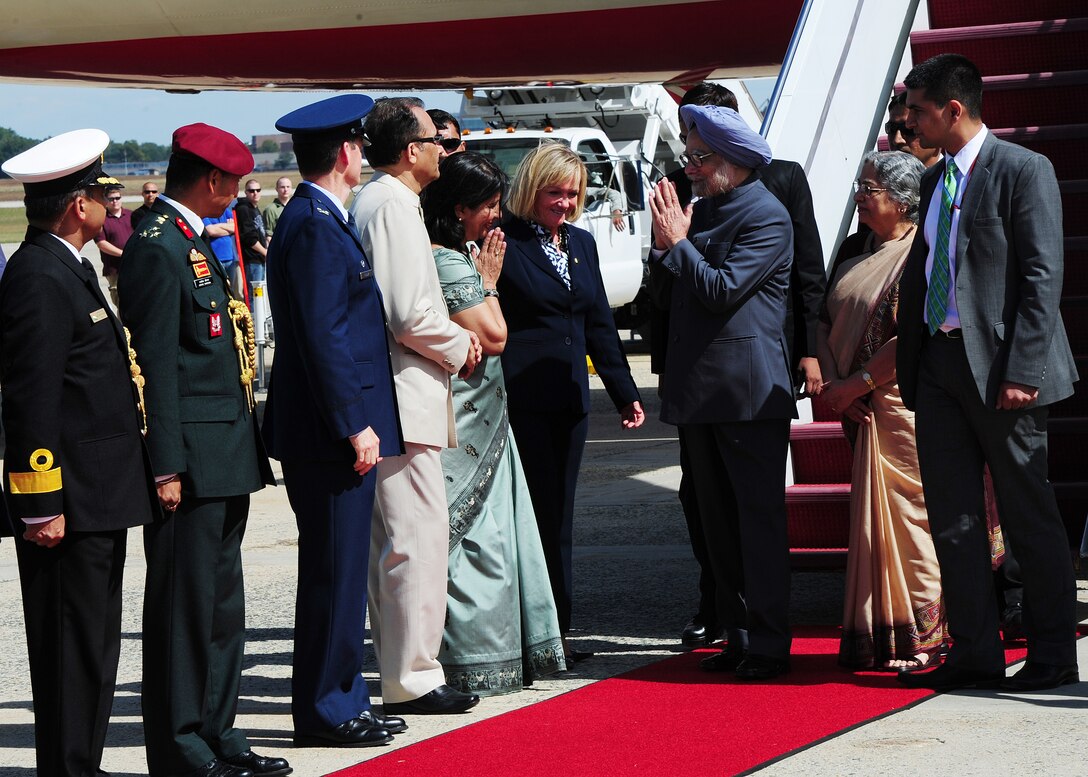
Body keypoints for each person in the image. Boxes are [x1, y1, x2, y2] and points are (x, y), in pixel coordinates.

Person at [897, 54, 1079, 693]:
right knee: (952, 516)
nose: (908, 120)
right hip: (941, 366)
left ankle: (1054, 655)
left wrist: (1024, 368)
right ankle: (975, 651)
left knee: (1030, 518)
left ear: (953, 109)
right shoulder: (934, 179)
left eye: (918, 109)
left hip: (1005, 370)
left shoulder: (1023, 169)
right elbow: (926, 269)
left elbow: (1041, 276)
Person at [118, 123, 288, 777]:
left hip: (223, 456)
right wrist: (165, 463)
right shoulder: (158, 246)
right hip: (187, 461)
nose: (237, 196)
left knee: (221, 609)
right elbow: (154, 366)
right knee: (183, 611)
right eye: (235, 184)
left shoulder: (190, 240)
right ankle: (180, 742)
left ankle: (217, 729)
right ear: (213, 181)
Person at [0, 128, 158, 777]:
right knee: (70, 650)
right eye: (99, 193)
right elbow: (30, 399)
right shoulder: (39, 274)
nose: (106, 203)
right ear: (76, 207)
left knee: (92, 647)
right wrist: (40, 507)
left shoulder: (67, 264)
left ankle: (81, 765)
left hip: (97, 496)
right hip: (66, 506)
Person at [653, 82, 826, 649]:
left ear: (732, 159)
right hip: (702, 391)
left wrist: (678, 244)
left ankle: (769, 640)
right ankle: (735, 634)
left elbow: (723, 290)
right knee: (717, 526)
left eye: (701, 158)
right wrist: (669, 246)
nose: (692, 168)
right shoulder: (707, 208)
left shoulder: (764, 214)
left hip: (747, 395)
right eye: (690, 157)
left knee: (756, 523)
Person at [264, 94, 406, 747]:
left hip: (328, 427)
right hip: (330, 433)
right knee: (334, 571)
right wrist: (356, 423)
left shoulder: (318, 216)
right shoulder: (316, 224)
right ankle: (328, 708)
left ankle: (343, 696)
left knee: (343, 572)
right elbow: (325, 336)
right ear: (346, 153)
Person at [350, 96, 483, 715]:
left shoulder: (387, 202)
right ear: (411, 151)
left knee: (407, 540)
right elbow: (409, 314)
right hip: (403, 393)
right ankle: (414, 675)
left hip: (401, 392)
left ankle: (407, 670)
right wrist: (464, 343)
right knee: (414, 540)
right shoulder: (393, 206)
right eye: (437, 140)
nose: (444, 150)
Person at [421, 151, 567, 694]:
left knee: (487, 539)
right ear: (458, 209)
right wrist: (487, 281)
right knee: (476, 544)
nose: (497, 216)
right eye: (488, 206)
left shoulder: (443, 254)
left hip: (480, 417)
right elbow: (497, 336)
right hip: (466, 424)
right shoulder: (452, 262)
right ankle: (477, 657)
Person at [499, 141, 644, 659]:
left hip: (570, 401)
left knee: (559, 514)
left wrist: (624, 392)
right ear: (532, 189)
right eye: (554, 193)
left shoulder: (581, 243)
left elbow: (598, 323)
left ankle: (555, 630)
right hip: (522, 399)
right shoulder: (505, 242)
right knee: (531, 515)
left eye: (573, 193)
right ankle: (523, 633)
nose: (564, 202)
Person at [816, 150, 946, 671]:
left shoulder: (924, 253)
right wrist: (837, 388)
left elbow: (911, 333)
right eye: (860, 186)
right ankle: (889, 635)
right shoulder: (855, 251)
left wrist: (860, 383)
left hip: (901, 404)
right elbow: (823, 322)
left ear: (903, 201)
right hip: (858, 405)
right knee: (875, 524)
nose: (859, 197)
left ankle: (931, 638)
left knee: (912, 521)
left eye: (869, 189)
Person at [94, 183, 135, 306]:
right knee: (121, 303)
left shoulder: (132, 215)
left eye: (117, 198)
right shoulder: (101, 219)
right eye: (111, 199)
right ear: (106, 200)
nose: (115, 201)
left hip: (135, 265)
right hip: (115, 270)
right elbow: (101, 243)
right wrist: (123, 254)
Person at [886, 92, 941, 169]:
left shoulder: (958, 178)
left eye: (908, 130)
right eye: (892, 128)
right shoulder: (879, 179)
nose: (897, 140)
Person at [235, 178, 269, 300]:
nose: (255, 193)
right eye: (251, 190)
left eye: (258, 190)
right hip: (252, 259)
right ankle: (254, 318)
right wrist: (265, 252)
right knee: (254, 296)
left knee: (260, 293)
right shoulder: (243, 209)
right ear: (246, 192)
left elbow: (260, 231)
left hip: (260, 258)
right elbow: (249, 237)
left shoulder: (255, 208)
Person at [202, 203, 238, 279]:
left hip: (230, 257)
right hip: (216, 258)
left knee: (230, 288)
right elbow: (210, 231)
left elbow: (237, 227)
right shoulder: (205, 213)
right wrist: (228, 228)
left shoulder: (226, 211)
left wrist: (218, 226)